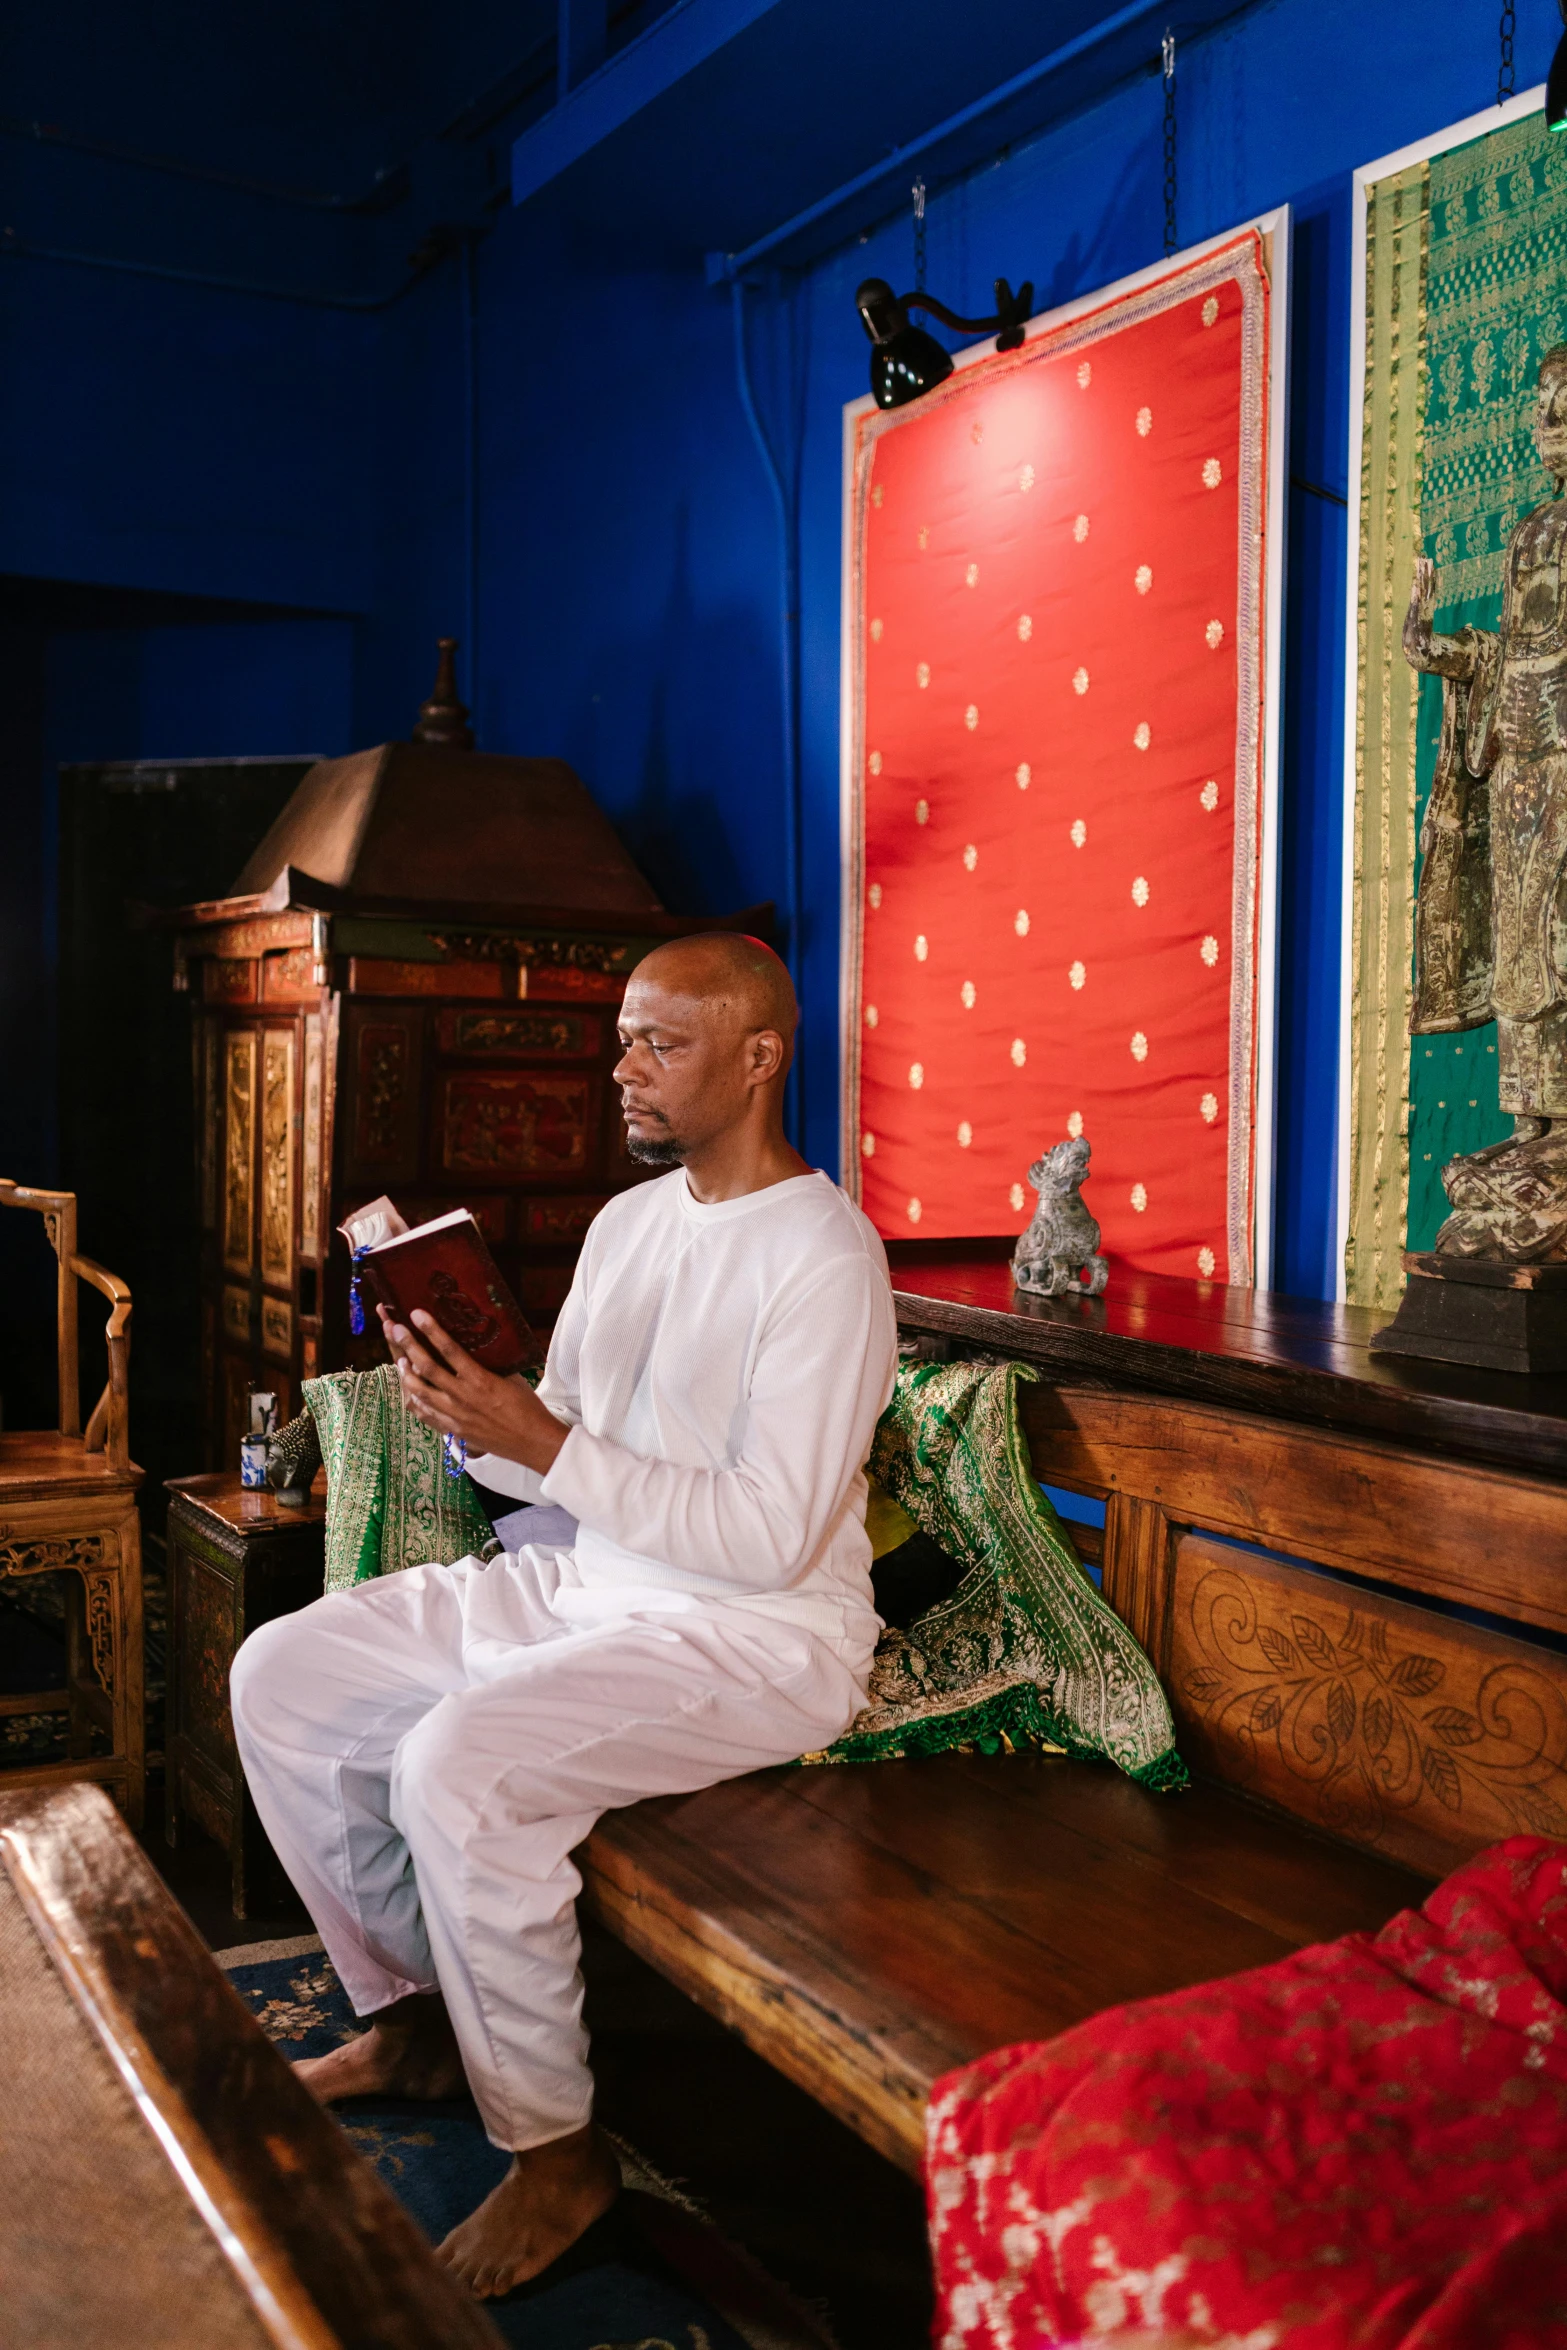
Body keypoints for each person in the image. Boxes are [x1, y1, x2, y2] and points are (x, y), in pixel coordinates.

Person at [230, 932, 897, 2299]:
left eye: (662, 1043)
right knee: (282, 1673)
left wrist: (540, 1434)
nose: (623, 1071)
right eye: (620, 1042)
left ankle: (557, 2153)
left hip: (760, 1636)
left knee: (455, 1768)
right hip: (591, 1578)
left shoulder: (827, 1257)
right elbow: (566, 1447)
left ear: (761, 1054)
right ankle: (415, 2018)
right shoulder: (628, 1224)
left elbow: (770, 1535)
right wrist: (471, 1414)